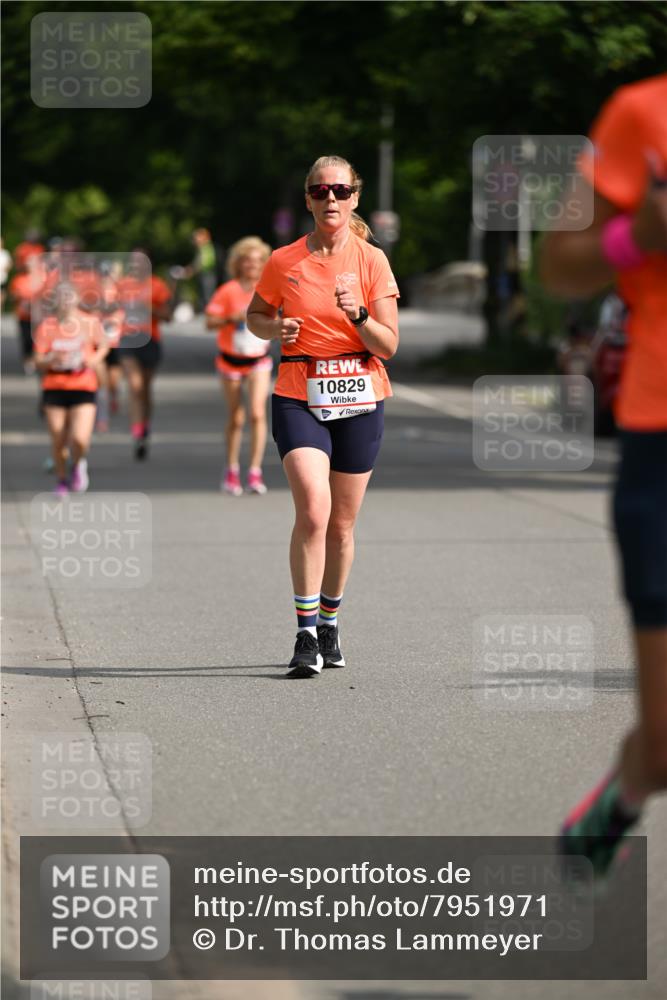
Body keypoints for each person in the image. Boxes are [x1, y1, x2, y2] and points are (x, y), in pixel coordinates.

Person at [540, 73, 667, 878]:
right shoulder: (641, 111)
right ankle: (626, 790)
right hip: (662, 433)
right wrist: (640, 233)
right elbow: (559, 265)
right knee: (665, 743)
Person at [247, 155, 400, 677]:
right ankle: (305, 634)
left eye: (340, 190)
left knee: (341, 524)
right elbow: (256, 315)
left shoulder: (372, 261)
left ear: (355, 197)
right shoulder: (284, 260)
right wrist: (275, 330)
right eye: (319, 191)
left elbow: (390, 344)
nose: (330, 199)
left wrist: (358, 314)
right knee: (313, 510)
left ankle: (331, 621)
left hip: (360, 391)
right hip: (298, 389)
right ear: (308, 199)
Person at [205, 236, 273, 495]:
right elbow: (209, 322)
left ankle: (254, 471)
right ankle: (231, 469)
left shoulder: (268, 289)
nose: (252, 265)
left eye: (257, 261)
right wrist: (230, 319)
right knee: (236, 417)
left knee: (257, 412)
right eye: (247, 260)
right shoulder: (228, 290)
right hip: (230, 360)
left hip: (258, 360)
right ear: (238, 263)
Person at [33, 283, 109, 496]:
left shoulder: (88, 322)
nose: (65, 301)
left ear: (76, 299)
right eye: (61, 297)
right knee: (58, 437)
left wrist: (93, 359)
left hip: (83, 385)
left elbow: (104, 344)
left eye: (69, 297)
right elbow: (37, 359)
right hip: (55, 385)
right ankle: (61, 479)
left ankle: (77, 464)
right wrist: (50, 359)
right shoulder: (47, 327)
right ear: (55, 301)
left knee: (79, 439)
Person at [115, 250, 172, 459]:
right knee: (135, 386)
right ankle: (137, 431)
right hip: (127, 339)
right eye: (133, 262)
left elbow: (168, 316)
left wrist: (149, 309)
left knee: (145, 390)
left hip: (150, 340)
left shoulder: (157, 285)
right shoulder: (121, 285)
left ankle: (144, 426)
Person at [0, 237, 12, 309]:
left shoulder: (5, 253)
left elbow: (9, 264)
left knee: (1, 298)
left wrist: (6, 268)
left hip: (2, 278)